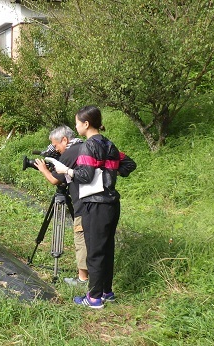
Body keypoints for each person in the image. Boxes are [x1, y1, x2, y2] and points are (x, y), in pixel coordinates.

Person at [48, 105, 136, 308]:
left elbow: (85, 176)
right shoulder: (109, 145)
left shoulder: (89, 145)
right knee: (106, 249)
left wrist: (67, 171)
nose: (76, 126)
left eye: (77, 122)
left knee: (95, 251)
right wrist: (109, 171)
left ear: (86, 124)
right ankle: (107, 291)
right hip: (112, 204)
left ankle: (94, 298)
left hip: (94, 205)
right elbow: (129, 164)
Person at [33, 125, 88, 286]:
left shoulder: (70, 152)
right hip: (93, 201)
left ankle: (82, 279)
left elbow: (54, 180)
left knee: (81, 238)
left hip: (82, 203)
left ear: (64, 140)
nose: (57, 150)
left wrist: (43, 169)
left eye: (56, 146)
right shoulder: (84, 146)